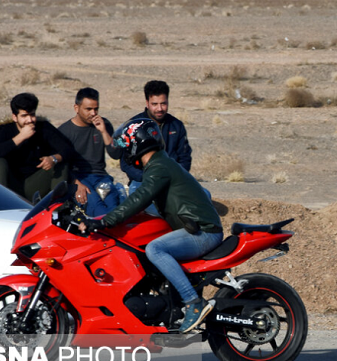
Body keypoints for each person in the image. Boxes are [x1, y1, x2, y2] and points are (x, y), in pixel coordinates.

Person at [80, 119, 223, 333]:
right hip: (194, 227)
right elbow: (140, 205)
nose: (126, 151)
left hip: (203, 232)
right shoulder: (159, 165)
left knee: (154, 249)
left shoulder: (159, 167)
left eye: (127, 146)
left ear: (137, 144)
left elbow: (139, 198)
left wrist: (104, 221)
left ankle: (194, 304)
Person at [0, 93, 73, 201]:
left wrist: (53, 158)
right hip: (8, 187)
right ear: (14, 117)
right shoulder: (3, 131)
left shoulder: (43, 128)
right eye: (24, 116)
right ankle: (0, 204)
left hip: (34, 185)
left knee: (60, 163)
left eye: (32, 115)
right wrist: (20, 137)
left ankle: (56, 209)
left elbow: (68, 149)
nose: (30, 120)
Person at [121, 80, 193, 198]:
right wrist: (145, 177)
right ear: (147, 103)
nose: (159, 108)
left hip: (173, 181)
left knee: (205, 195)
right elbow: (125, 163)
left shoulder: (177, 125)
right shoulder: (134, 126)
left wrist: (175, 176)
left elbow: (184, 158)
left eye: (163, 103)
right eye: (154, 104)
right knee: (144, 202)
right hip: (143, 182)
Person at [59, 88, 122, 216]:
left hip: (100, 177)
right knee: (99, 210)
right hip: (79, 179)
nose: (93, 113)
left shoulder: (104, 124)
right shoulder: (64, 132)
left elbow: (115, 154)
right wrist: (76, 184)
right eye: (88, 109)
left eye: (96, 109)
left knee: (115, 209)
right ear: (76, 108)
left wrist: (104, 131)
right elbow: (61, 166)